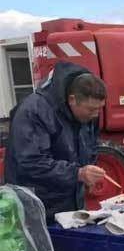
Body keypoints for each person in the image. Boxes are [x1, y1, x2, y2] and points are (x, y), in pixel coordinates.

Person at [5, 61, 108, 220]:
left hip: (71, 206)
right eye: (92, 109)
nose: (96, 114)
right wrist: (78, 173)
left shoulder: (88, 114)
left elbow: (91, 147)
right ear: (72, 99)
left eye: (99, 109)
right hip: (38, 208)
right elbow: (31, 163)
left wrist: (89, 175)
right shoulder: (34, 111)